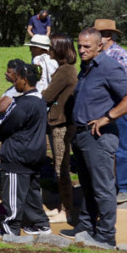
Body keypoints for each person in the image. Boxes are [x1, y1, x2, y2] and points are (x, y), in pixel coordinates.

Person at [60, 28, 127, 246]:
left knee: (103, 188)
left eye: (87, 46)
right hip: (82, 136)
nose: (82, 50)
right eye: (79, 45)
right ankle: (86, 226)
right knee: (87, 185)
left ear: (100, 46)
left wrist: (108, 117)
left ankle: (106, 236)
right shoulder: (86, 68)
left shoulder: (108, 66)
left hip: (99, 136)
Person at [0, 63, 50, 236]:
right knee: (31, 193)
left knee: (12, 195)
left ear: (25, 80)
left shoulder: (24, 104)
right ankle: (41, 224)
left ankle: (11, 229)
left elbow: (6, 127)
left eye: (17, 79)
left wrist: (1, 132)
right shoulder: (40, 100)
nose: (15, 82)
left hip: (18, 155)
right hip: (35, 154)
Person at [95, 19, 127, 204]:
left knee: (121, 146)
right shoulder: (98, 55)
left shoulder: (120, 54)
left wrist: (114, 90)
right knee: (106, 146)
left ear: (107, 36)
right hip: (101, 107)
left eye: (98, 34)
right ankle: (110, 185)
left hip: (117, 107)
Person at [40, 34, 78, 224]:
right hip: (61, 122)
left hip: (61, 126)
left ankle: (66, 211)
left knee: (61, 169)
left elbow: (47, 96)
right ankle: (62, 207)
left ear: (60, 49)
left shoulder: (65, 71)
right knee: (59, 168)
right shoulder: (67, 70)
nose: (49, 51)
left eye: (52, 47)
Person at [0, 59, 31, 131]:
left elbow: (0, 107)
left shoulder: (17, 90)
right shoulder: (13, 88)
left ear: (17, 74)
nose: (5, 73)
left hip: (12, 134)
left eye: (8, 72)